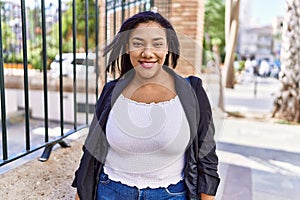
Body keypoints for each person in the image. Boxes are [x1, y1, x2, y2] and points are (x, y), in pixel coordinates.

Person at [72, 11, 220, 200]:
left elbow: (207, 156)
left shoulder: (193, 91)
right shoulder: (111, 91)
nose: (147, 53)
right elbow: (91, 150)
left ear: (168, 48)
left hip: (171, 194)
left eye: (157, 44)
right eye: (138, 43)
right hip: (109, 192)